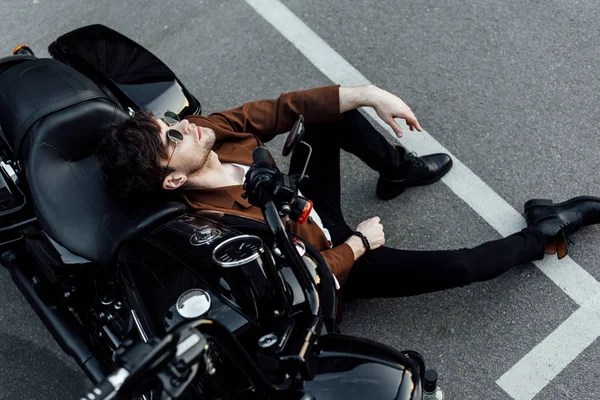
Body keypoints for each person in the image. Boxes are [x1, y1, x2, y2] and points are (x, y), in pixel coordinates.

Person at [95, 84, 600, 299]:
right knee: (461, 267)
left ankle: (395, 169)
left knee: (328, 116)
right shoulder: (213, 226)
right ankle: (548, 227)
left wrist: (368, 93)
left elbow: (283, 107)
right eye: (172, 137)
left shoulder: (210, 132)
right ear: (174, 180)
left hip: (307, 208)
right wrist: (358, 244)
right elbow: (300, 280)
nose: (182, 125)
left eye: (168, 122)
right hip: (333, 260)